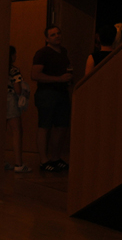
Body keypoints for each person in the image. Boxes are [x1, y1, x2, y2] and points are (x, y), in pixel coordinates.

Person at [31, 24, 73, 172]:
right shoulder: (42, 53)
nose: (57, 36)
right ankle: (44, 160)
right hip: (47, 93)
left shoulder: (64, 51)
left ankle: (56, 157)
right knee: (45, 126)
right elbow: (35, 75)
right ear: (47, 38)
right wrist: (58, 79)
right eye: (53, 35)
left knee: (61, 127)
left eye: (58, 33)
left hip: (62, 93)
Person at [4, 46, 31, 174]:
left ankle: (0, 160)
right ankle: (18, 163)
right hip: (10, 99)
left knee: (0, 132)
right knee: (16, 131)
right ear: (12, 55)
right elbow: (18, 89)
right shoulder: (13, 70)